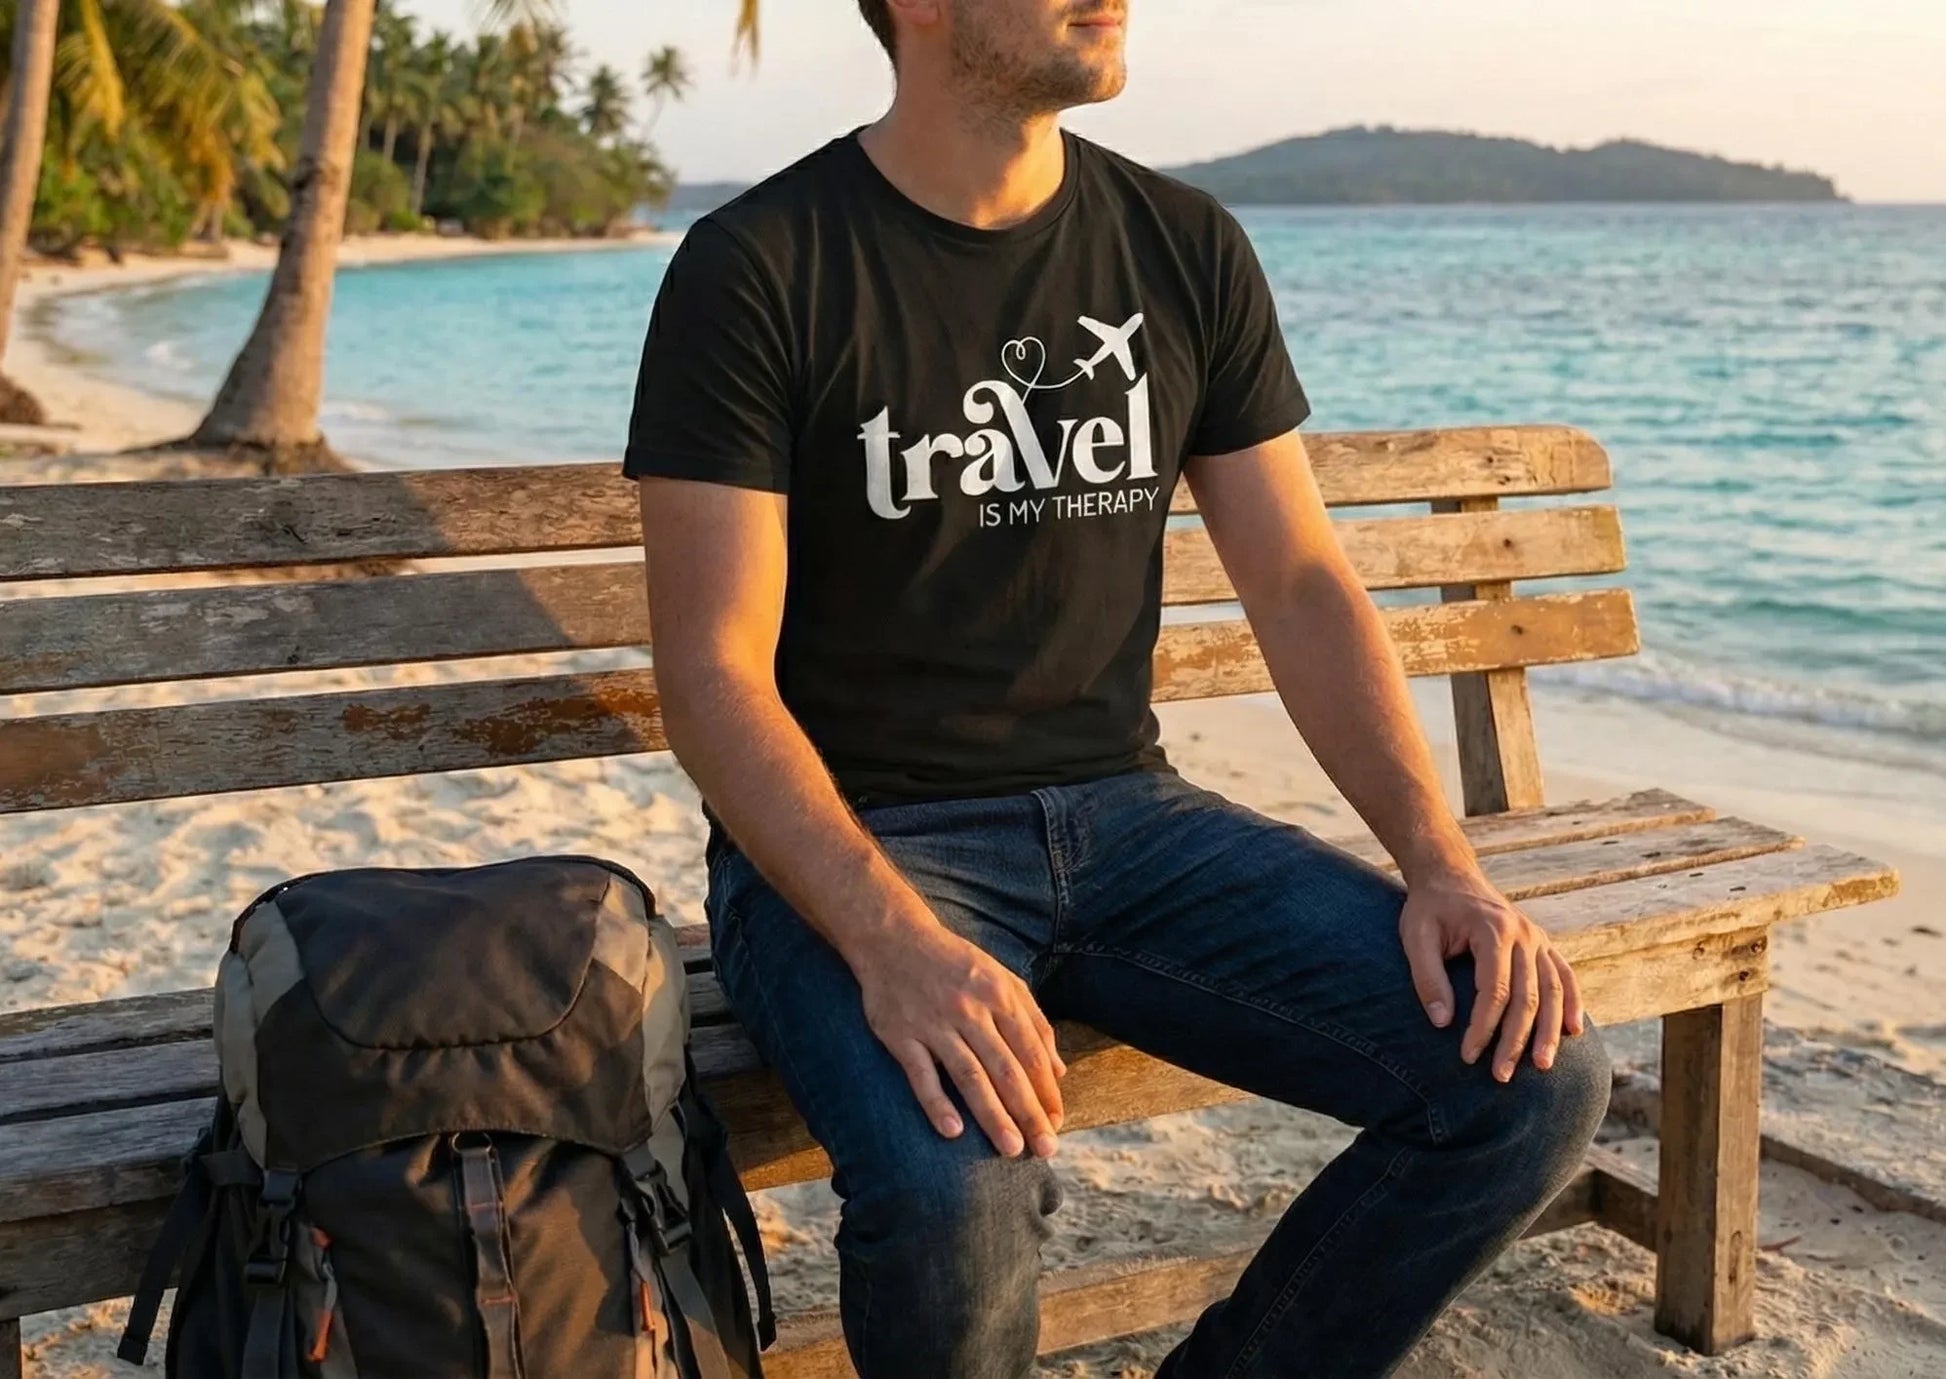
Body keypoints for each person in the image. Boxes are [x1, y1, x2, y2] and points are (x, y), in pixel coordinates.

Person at [624, 3, 1609, 1374]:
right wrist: (895, 946)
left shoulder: (1180, 244)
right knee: (953, 1185)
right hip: (858, 850)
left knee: (1528, 1084)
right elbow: (712, 677)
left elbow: (1302, 586)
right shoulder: (761, 265)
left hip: (1129, 825)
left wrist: (1438, 861)